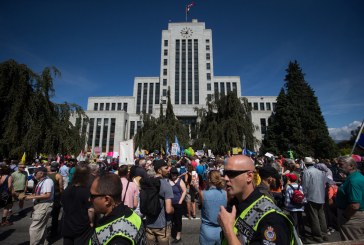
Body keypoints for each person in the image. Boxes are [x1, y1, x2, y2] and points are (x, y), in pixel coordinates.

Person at [218, 155, 296, 244]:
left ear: (249, 176)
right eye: (224, 173)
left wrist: (228, 229)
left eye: (231, 174)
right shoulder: (234, 205)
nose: (226, 178)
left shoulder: (272, 219)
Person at [89, 173, 146, 244]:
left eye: (92, 196)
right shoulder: (131, 215)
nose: (89, 199)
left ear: (107, 200)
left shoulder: (118, 238)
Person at [62, 164, 94, 244]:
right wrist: (91, 222)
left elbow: (63, 203)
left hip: (67, 225)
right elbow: (90, 210)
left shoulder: (67, 189)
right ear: (86, 176)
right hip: (81, 226)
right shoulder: (86, 191)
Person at [145, 159, 174, 245]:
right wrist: (174, 209)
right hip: (162, 226)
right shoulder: (166, 184)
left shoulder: (148, 182)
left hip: (149, 224)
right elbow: (168, 210)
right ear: (159, 170)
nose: (169, 169)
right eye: (166, 168)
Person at [335, 156, 364, 240]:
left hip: (352, 218)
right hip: (354, 217)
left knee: (352, 241)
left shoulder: (353, 180)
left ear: (351, 166)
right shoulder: (356, 177)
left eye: (341, 165)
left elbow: (354, 205)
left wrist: (345, 216)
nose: (339, 167)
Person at [25, 166, 54, 245]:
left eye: (36, 173)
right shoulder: (41, 181)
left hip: (43, 205)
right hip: (40, 205)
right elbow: (39, 193)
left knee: (34, 228)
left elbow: (47, 195)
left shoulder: (48, 181)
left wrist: (32, 197)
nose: (34, 174)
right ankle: (43, 243)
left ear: (41, 173)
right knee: (41, 226)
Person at [302, 159, 328, 243]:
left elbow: (305, 185)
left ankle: (318, 236)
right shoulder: (320, 172)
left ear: (305, 164)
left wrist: (304, 195)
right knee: (321, 215)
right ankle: (324, 234)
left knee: (314, 216)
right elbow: (324, 184)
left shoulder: (307, 172)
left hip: (312, 196)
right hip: (321, 196)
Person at [197, 170, 227, 245]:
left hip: (207, 230)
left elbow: (200, 205)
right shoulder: (225, 193)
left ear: (209, 179)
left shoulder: (203, 193)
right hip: (221, 230)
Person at [168, 167, 187, 243]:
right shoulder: (168, 180)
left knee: (178, 220)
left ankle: (178, 236)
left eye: (175, 174)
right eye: (172, 173)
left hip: (178, 203)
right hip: (170, 204)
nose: (174, 175)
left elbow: (184, 191)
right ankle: (170, 233)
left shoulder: (180, 181)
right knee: (170, 220)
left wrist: (180, 201)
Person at [48, 161, 63, 236]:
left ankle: (45, 230)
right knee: (55, 215)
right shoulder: (58, 176)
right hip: (56, 197)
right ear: (57, 167)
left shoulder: (46, 175)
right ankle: (54, 231)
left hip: (47, 197)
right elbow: (61, 187)